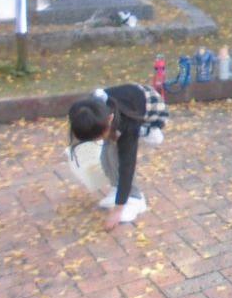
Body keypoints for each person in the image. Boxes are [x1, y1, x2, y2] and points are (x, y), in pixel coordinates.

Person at [67, 84, 168, 230]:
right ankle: (117, 188)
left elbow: (127, 165)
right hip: (124, 107)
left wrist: (118, 209)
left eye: (98, 136)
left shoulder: (126, 124)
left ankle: (135, 199)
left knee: (117, 158)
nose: (95, 140)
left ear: (110, 119)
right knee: (105, 158)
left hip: (150, 111)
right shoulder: (88, 111)